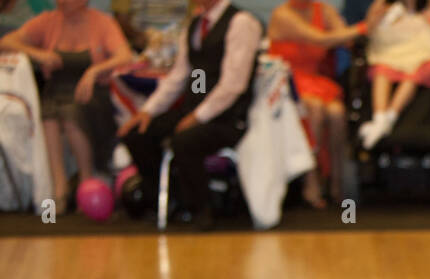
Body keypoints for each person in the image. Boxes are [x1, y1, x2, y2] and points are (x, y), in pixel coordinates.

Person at [117, 0, 262, 230]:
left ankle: (201, 209)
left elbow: (233, 85)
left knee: (185, 140)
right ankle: (170, 199)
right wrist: (146, 111)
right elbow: (179, 76)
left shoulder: (241, 23)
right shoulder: (195, 24)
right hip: (194, 108)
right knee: (137, 134)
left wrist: (197, 117)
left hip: (228, 117)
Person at [0, 0, 133, 214]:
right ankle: (59, 187)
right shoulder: (47, 21)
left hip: (91, 94)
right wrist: (37, 53)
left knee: (71, 113)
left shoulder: (102, 23)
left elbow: (125, 56)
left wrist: (94, 71)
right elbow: (6, 41)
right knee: (48, 115)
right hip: (55, 91)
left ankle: (86, 179)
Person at [267, 0, 366, 208]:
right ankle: (311, 181)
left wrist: (356, 28)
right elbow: (320, 39)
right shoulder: (282, 15)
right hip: (289, 81)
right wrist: (364, 27)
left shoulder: (325, 11)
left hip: (315, 80)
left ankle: (336, 182)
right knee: (315, 109)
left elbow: (345, 39)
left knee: (337, 113)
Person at [358, 0, 430, 150]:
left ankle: (388, 119)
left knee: (417, 70)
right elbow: (368, 34)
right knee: (381, 69)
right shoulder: (383, 5)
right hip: (391, 56)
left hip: (424, 60)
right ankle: (379, 118)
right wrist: (380, 17)